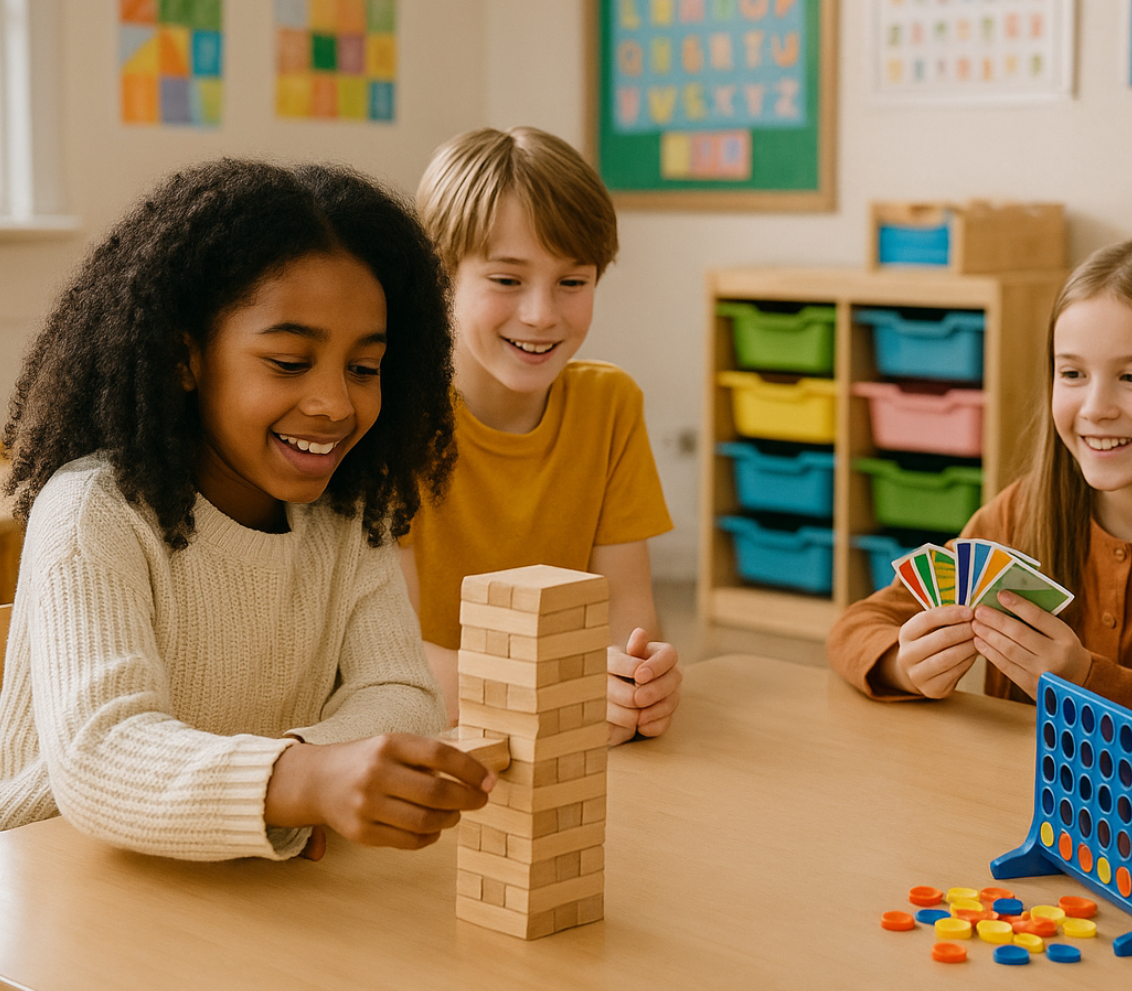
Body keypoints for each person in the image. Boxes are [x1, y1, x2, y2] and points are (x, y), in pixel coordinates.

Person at [0, 159, 494, 861]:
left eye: (363, 367)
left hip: (239, 884)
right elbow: (102, 754)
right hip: (53, 879)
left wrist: (297, 779)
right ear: (185, 358)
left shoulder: (345, 516)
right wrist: (297, 780)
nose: (335, 403)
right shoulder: (93, 513)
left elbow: (404, 695)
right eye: (290, 362)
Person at [828, 237, 1132, 725]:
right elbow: (856, 627)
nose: (1095, 409)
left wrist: (1086, 680)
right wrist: (904, 663)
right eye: (1072, 374)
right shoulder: (1020, 512)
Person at [405, 126, 679, 743]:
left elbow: (627, 618)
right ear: (439, 276)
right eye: (506, 280)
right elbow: (392, 662)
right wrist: (566, 690)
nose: (541, 314)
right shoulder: (393, 418)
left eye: (572, 282)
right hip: (431, 752)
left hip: (563, 748)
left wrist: (637, 682)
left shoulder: (610, 405)